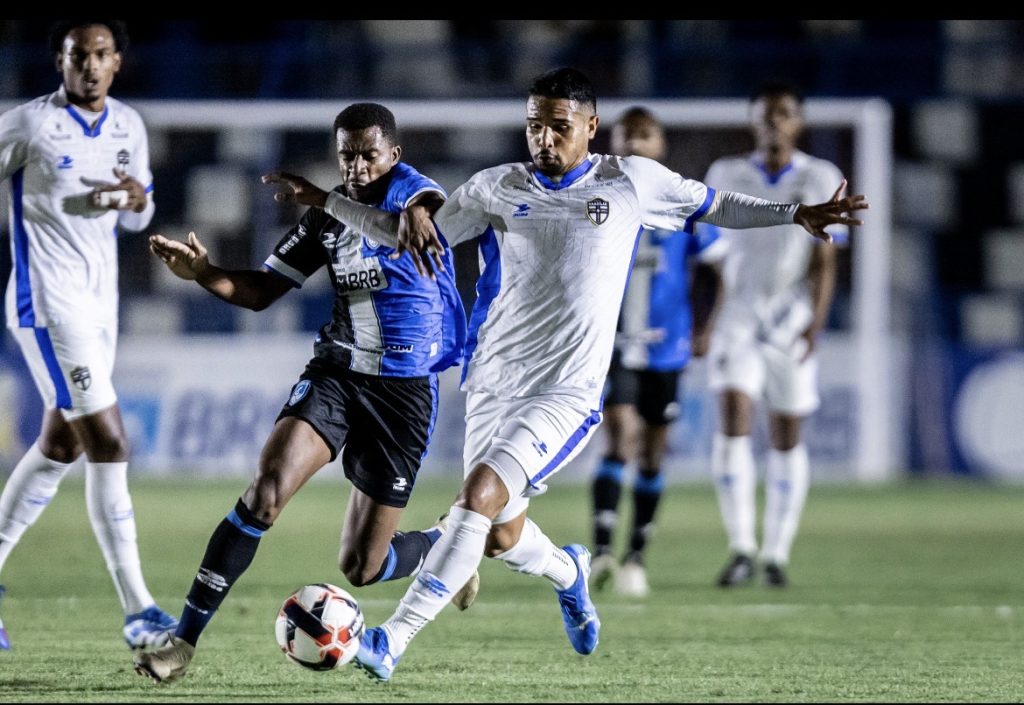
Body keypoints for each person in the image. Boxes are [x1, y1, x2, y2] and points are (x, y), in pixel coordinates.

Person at [290, 66, 867, 682]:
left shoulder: (630, 180)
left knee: (478, 497)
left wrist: (796, 214)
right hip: (492, 381)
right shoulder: (494, 187)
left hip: (566, 390)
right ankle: (569, 572)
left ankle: (391, 640)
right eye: (534, 125)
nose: (544, 139)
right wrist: (328, 201)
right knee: (498, 534)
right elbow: (405, 238)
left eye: (559, 127)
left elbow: (716, 203)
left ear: (591, 126)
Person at [132, 103, 477, 684]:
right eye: (348, 156)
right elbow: (261, 291)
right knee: (263, 493)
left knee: (362, 567)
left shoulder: (413, 195)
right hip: (337, 374)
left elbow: (411, 219)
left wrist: (337, 199)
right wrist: (205, 273)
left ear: (394, 155)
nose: (358, 167)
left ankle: (447, 544)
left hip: (404, 394)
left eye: (370, 155)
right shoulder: (326, 220)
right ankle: (181, 642)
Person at [0, 19, 177, 651]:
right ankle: (138, 608)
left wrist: (136, 201)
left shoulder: (129, 125)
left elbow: (140, 213)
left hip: (102, 307)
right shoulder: (29, 124)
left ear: (117, 62)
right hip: (48, 304)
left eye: (102, 54)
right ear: (61, 61)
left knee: (61, 443)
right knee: (108, 437)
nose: (91, 65)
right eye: (79, 55)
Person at [699, 82, 847, 588]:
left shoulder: (820, 175)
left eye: (783, 114)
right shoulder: (725, 173)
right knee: (733, 416)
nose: (773, 123)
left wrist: (816, 323)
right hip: (738, 314)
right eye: (765, 115)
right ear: (752, 121)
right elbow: (710, 256)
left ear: (798, 122)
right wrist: (709, 319)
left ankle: (776, 553)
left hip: (791, 316)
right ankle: (741, 546)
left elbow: (826, 259)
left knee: (787, 434)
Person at [589, 107, 723, 598]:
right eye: (627, 135)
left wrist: (705, 327)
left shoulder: (682, 203)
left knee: (651, 453)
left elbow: (716, 269)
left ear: (660, 145)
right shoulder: (594, 200)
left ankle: (636, 556)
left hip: (668, 347)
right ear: (613, 142)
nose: (635, 144)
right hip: (615, 343)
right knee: (619, 436)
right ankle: (603, 550)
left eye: (645, 136)